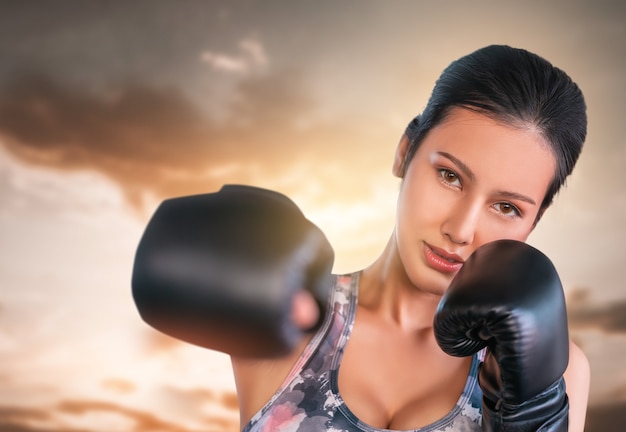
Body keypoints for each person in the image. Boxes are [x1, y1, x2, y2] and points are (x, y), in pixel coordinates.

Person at [133, 44, 590, 431]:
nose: (461, 229)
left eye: (506, 207)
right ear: (405, 152)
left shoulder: (555, 371)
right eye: (450, 176)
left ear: (536, 219)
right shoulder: (288, 315)